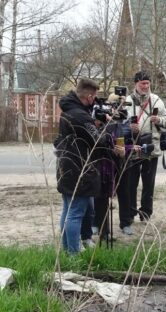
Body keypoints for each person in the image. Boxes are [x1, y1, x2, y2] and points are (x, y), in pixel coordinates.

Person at [55, 79, 110, 254]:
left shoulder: (68, 111)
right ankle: (73, 253)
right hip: (80, 168)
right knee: (76, 213)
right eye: (94, 97)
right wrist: (105, 127)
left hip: (67, 166)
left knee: (68, 210)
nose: (95, 100)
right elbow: (98, 141)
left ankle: (65, 250)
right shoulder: (81, 115)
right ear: (89, 95)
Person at [122, 71, 166, 233]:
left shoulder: (156, 100)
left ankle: (145, 214)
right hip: (133, 148)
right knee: (131, 183)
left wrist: (159, 120)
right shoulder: (127, 101)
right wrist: (129, 127)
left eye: (147, 84)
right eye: (143, 83)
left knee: (148, 184)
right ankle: (129, 214)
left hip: (151, 148)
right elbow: (117, 124)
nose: (146, 86)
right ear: (136, 83)